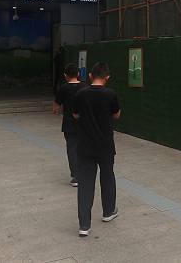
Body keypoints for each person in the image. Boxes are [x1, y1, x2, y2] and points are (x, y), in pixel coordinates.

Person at [72, 62, 121, 237]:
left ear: (90, 76)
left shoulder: (81, 93)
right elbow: (117, 114)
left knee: (85, 182)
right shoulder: (110, 94)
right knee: (107, 175)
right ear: (107, 78)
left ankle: (84, 225)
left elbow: (75, 114)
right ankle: (108, 211)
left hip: (85, 145)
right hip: (105, 144)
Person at [52, 63, 87, 187]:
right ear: (78, 74)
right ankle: (86, 174)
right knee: (84, 148)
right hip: (84, 124)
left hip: (69, 124)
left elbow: (56, 103)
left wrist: (55, 109)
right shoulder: (85, 87)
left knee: (72, 149)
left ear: (65, 76)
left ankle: (76, 176)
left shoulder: (63, 88)